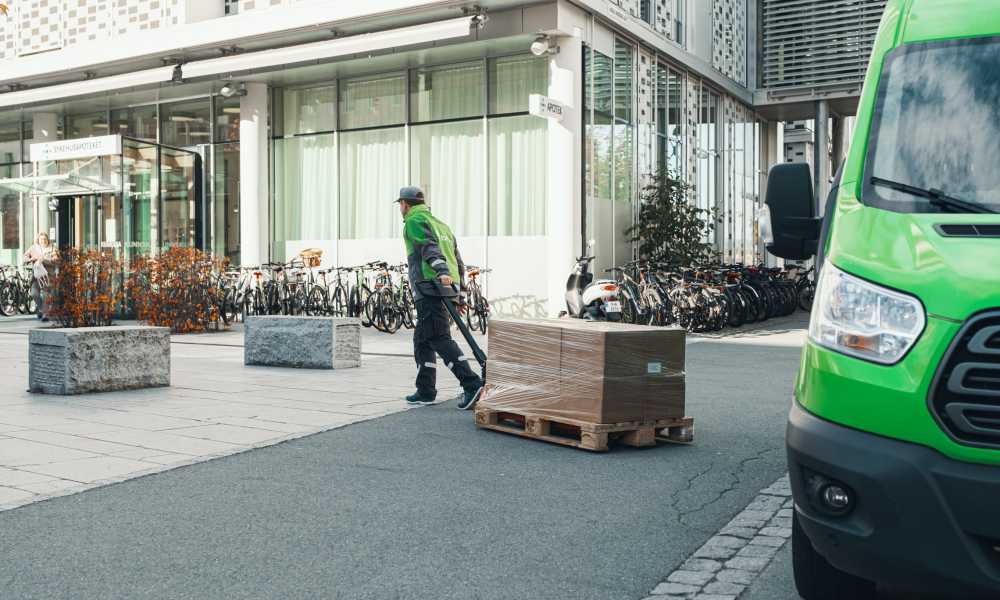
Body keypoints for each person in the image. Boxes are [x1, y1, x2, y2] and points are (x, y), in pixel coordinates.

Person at [397, 186, 484, 410]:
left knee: (439, 338)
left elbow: (429, 248)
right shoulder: (441, 224)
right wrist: (461, 294)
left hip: (430, 288)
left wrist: (441, 272)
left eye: (401, 205)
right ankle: (425, 390)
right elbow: (459, 261)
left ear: (405, 205)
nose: (401, 209)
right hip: (445, 288)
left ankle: (471, 383)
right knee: (422, 339)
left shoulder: (414, 222)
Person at [22, 232, 56, 321]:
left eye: (45, 239)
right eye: (41, 239)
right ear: (38, 240)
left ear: (47, 240)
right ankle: (42, 309)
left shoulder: (52, 248)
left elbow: (56, 261)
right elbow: (24, 257)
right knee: (34, 293)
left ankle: (45, 314)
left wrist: (43, 260)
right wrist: (30, 259)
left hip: (47, 276)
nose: (43, 241)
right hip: (36, 276)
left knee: (46, 295)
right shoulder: (34, 248)